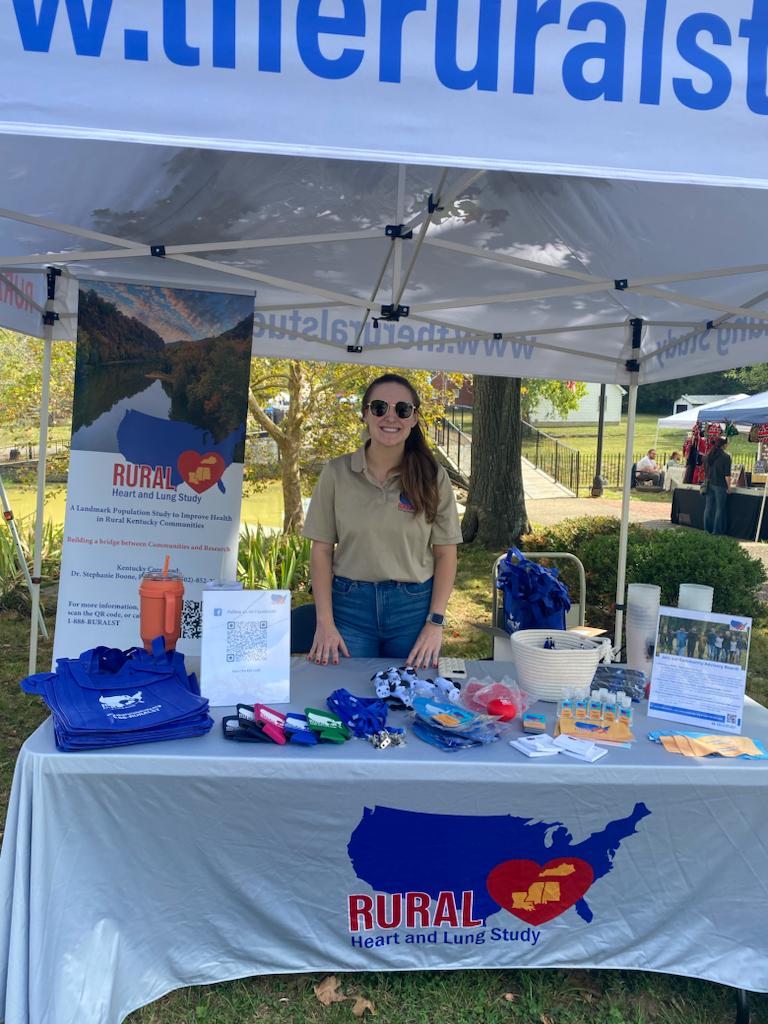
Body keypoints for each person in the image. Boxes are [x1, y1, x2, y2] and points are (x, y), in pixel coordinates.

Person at [302, 373, 462, 668]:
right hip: (350, 608)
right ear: (365, 414)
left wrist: (435, 623)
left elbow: (446, 553)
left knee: (411, 701)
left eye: (402, 409)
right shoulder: (336, 474)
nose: (391, 417)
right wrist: (325, 622)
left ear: (413, 419)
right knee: (347, 696)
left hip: (413, 609)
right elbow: (321, 551)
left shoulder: (432, 477)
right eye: (379, 407)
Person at [702, 435, 732, 536]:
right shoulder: (726, 457)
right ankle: (716, 531)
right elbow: (727, 475)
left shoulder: (706, 456)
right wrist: (729, 487)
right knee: (720, 509)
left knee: (708, 507)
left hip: (708, 483)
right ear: (724, 445)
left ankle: (707, 530)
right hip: (720, 485)